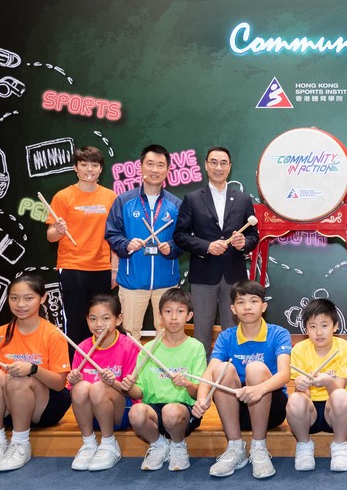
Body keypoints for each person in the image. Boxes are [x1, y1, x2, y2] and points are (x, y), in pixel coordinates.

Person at [192, 280, 291, 479]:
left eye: (254, 301)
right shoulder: (227, 336)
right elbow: (209, 373)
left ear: (263, 306)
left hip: (270, 406)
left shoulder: (278, 333)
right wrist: (202, 399)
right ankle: (235, 447)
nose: (247, 306)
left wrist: (260, 389)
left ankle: (259, 447)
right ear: (232, 309)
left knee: (255, 368)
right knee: (223, 368)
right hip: (236, 411)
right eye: (241, 302)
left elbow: (284, 374)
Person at [0, 273, 71, 472]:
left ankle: (20, 444)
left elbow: (60, 384)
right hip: (8, 407)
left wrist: (33, 369)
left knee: (18, 377)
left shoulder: (53, 334)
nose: (20, 304)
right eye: (14, 298)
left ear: (42, 298)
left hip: (44, 408)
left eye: (28, 298)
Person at [174, 146, 259, 356]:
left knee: (233, 331)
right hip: (203, 274)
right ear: (206, 165)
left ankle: (233, 375)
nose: (218, 167)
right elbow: (180, 235)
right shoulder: (192, 198)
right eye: (213, 162)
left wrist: (243, 243)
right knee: (201, 331)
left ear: (229, 167)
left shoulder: (243, 199)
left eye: (223, 163)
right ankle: (203, 381)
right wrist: (207, 246)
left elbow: (254, 236)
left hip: (234, 275)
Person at [120, 288, 206, 472]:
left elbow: (200, 392)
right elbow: (139, 392)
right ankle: (159, 445)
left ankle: (178, 445)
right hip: (155, 409)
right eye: (168, 311)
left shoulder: (196, 347)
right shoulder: (148, 348)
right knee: (135, 412)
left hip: (183, 412)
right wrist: (128, 387)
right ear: (160, 316)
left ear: (189, 315)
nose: (174, 317)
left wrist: (187, 384)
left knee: (171, 411)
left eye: (180, 311)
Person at [105, 144, 183, 340]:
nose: (154, 170)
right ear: (140, 167)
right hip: (132, 282)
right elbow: (112, 233)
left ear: (167, 170)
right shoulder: (123, 201)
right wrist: (126, 245)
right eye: (150, 164)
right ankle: (133, 372)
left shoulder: (176, 204)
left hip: (166, 282)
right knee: (130, 334)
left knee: (167, 334)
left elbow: (184, 238)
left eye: (160, 165)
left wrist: (171, 248)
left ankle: (164, 372)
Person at [45, 145, 117, 346]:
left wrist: (114, 269)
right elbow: (51, 236)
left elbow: (115, 236)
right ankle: (75, 367)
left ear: (101, 169)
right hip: (72, 266)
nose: (89, 169)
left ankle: (99, 364)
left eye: (94, 165)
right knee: (75, 320)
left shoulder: (111, 197)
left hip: (101, 267)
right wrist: (58, 229)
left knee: (101, 319)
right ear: (75, 168)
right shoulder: (63, 196)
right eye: (84, 164)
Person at [67, 294, 141, 471]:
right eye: (93, 319)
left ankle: (109, 444)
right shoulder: (82, 347)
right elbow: (74, 392)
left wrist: (113, 382)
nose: (99, 324)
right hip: (90, 416)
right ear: (87, 320)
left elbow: (135, 392)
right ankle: (89, 443)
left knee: (100, 387)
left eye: (106, 318)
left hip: (119, 414)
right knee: (80, 387)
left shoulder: (131, 346)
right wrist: (74, 380)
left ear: (118, 319)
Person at [285, 298, 347, 472]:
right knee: (295, 398)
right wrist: (300, 385)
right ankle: (304, 446)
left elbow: (338, 388)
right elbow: (303, 396)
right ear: (305, 329)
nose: (319, 332)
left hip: (334, 413)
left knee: (341, 395)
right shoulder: (299, 349)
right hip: (310, 412)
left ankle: (340, 446)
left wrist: (328, 382)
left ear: (335, 326)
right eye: (312, 326)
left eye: (324, 325)